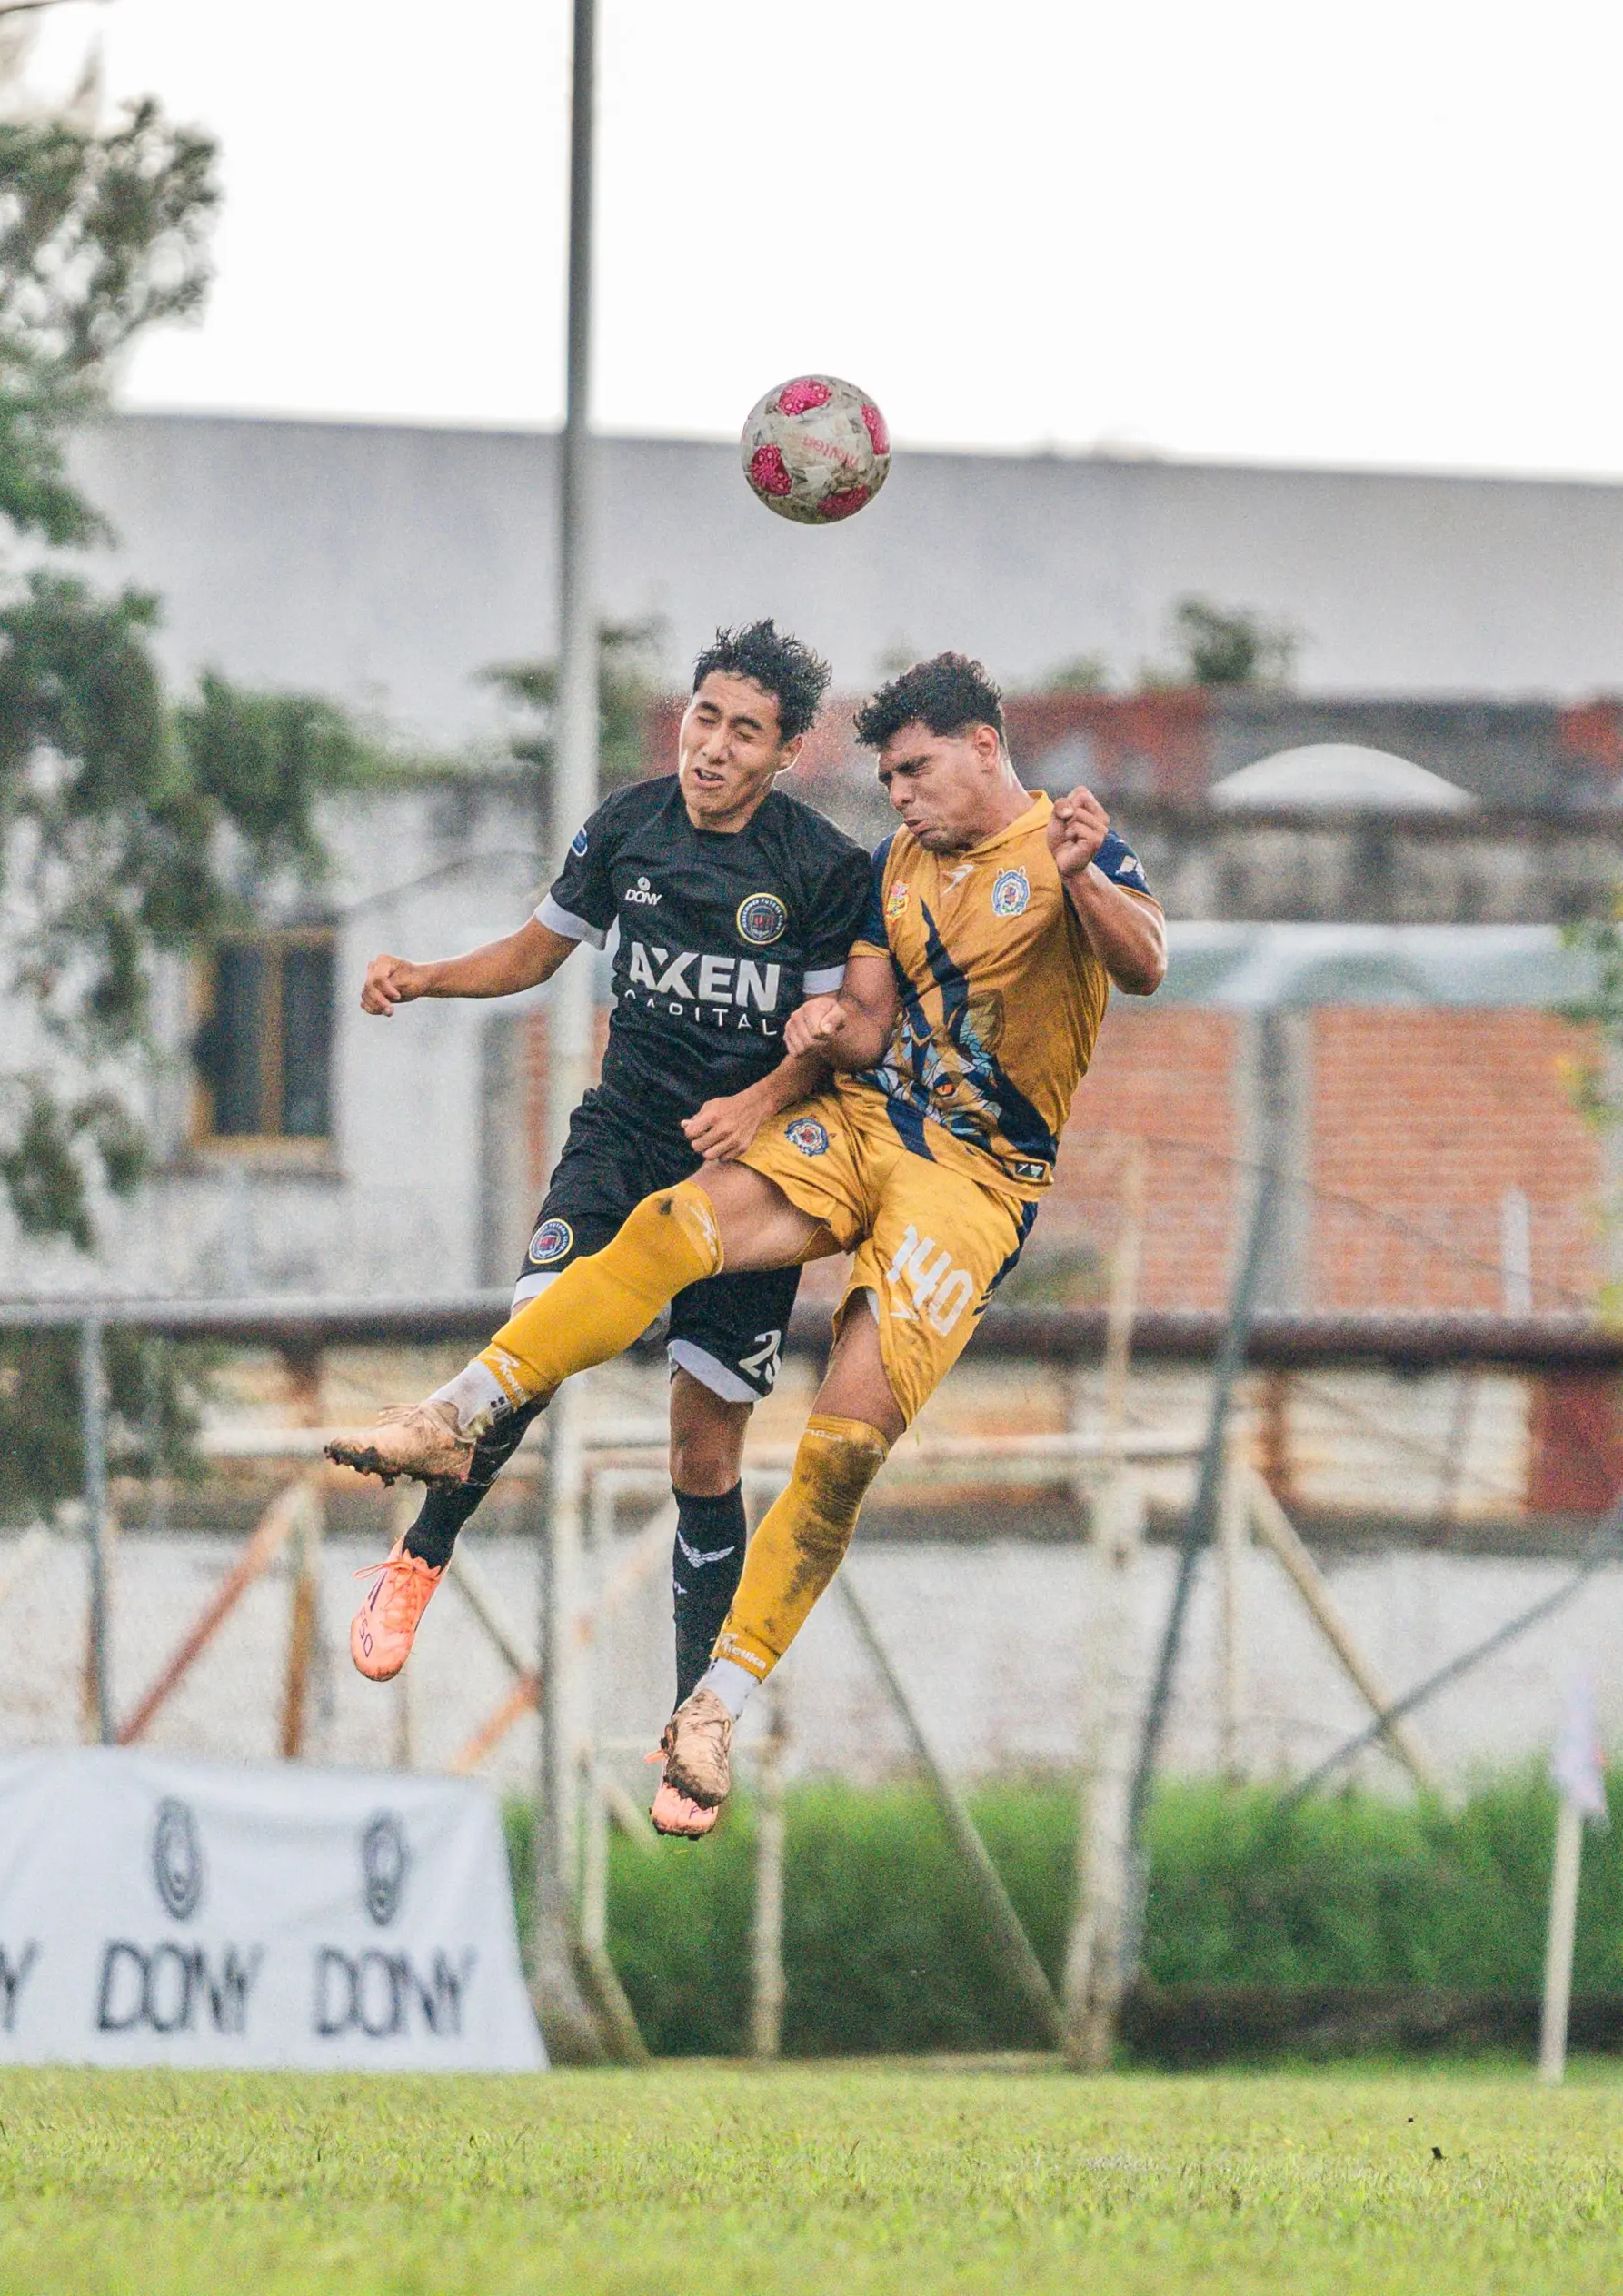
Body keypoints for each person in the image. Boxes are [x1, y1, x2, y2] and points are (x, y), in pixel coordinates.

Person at [332, 650, 1165, 1827]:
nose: (902, 795)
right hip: (841, 1127)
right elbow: (871, 1026)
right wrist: (834, 1029)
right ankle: (451, 1422)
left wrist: (1083, 882)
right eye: (886, 777)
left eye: (916, 770)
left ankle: (711, 1707)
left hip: (970, 1186)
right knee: (672, 1225)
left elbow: (1145, 962)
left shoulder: (1066, 846)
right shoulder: (884, 864)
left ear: (984, 747)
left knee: (827, 1452)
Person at [326, 619, 871, 1834]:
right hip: (621, 1144)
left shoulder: (826, 871)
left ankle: (690, 1726)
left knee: (703, 1460)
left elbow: (846, 1041)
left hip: (749, 1180)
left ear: (785, 753)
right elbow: (536, 949)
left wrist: (762, 1103)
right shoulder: (626, 827)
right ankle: (419, 1559)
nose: (713, 747)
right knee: (539, 1335)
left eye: (744, 731)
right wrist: (423, 976)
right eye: (703, 718)